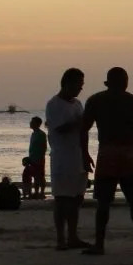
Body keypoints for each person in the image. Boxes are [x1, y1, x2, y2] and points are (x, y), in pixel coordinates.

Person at [81, 67, 133, 256]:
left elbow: (83, 129)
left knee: (104, 202)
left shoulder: (96, 100)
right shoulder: (132, 101)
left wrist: (84, 153)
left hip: (108, 153)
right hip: (128, 153)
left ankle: (99, 244)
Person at [45, 68, 90, 251]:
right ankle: (60, 239)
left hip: (78, 156)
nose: (80, 88)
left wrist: (86, 155)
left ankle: (73, 236)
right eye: (78, 84)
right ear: (67, 83)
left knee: (77, 198)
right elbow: (59, 128)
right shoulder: (54, 104)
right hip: (62, 158)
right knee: (62, 199)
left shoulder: (78, 104)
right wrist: (80, 121)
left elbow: (83, 132)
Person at [26, 116, 47, 198]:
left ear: (37, 124)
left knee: (40, 176)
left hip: (39, 159)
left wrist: (41, 158)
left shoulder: (41, 134)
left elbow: (44, 147)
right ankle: (36, 192)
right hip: (32, 158)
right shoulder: (33, 133)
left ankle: (41, 193)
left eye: (32, 122)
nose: (30, 123)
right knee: (35, 176)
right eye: (31, 122)